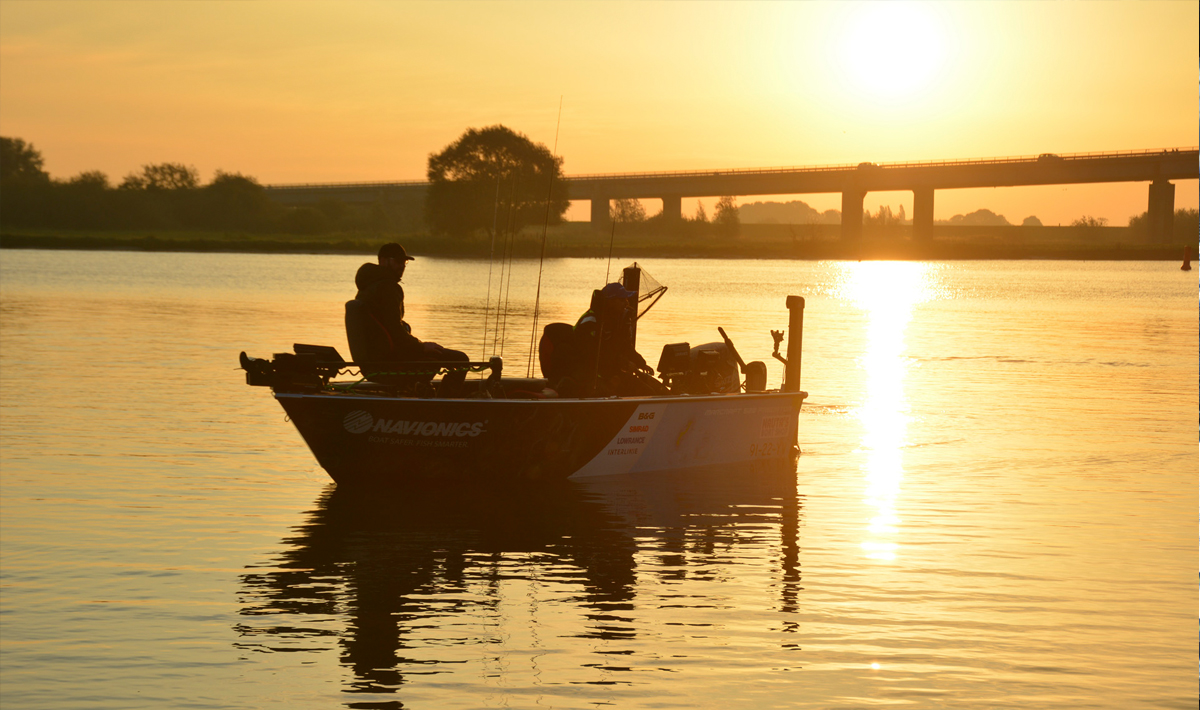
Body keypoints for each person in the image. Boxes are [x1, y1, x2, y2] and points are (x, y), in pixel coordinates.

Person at [353, 243, 470, 395]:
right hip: (390, 360)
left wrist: (409, 334)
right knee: (461, 360)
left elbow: (386, 326)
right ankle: (444, 404)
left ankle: (420, 392)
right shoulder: (388, 287)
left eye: (404, 262)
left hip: (379, 358)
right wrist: (421, 347)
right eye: (397, 261)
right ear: (383, 261)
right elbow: (395, 331)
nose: (402, 266)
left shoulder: (367, 287)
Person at [571, 282, 661, 397]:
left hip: (610, 371)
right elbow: (592, 355)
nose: (626, 303)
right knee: (609, 391)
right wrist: (623, 364)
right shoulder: (590, 322)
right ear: (611, 302)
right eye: (622, 300)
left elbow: (625, 346)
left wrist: (641, 364)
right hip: (588, 375)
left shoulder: (616, 321)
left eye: (626, 300)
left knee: (648, 392)